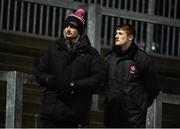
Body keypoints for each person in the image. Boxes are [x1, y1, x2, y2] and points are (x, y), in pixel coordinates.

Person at [35, 8, 105, 128]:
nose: (68, 29)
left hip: (76, 114)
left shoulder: (91, 54)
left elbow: (97, 78)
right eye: (66, 26)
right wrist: (54, 81)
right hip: (52, 112)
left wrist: (75, 84)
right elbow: (40, 74)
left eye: (72, 27)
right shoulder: (53, 49)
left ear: (80, 30)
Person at [104, 24, 160, 128]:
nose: (116, 36)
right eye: (116, 33)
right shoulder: (110, 58)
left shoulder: (142, 59)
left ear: (130, 37)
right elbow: (105, 83)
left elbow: (153, 88)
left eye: (120, 33)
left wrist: (139, 105)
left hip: (133, 119)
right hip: (112, 116)